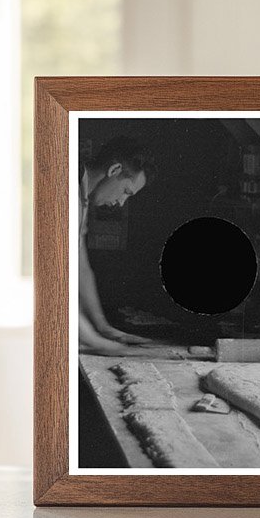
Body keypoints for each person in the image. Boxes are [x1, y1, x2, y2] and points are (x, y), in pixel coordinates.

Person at [77, 135, 158, 356]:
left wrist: (104, 328)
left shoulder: (82, 198)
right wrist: (96, 341)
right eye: (126, 191)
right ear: (114, 170)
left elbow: (81, 268)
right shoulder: (65, 193)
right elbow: (52, 285)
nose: (121, 203)